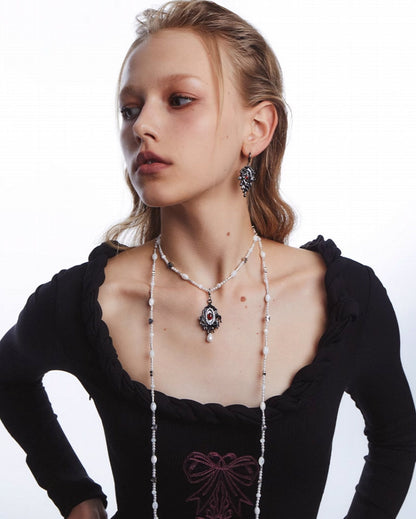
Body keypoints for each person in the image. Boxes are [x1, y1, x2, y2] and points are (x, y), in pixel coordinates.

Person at [1, 1, 415, 518]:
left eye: (179, 100)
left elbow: (397, 437)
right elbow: (8, 377)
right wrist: (75, 496)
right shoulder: (90, 300)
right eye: (129, 109)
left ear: (256, 128)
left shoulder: (345, 300)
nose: (142, 126)